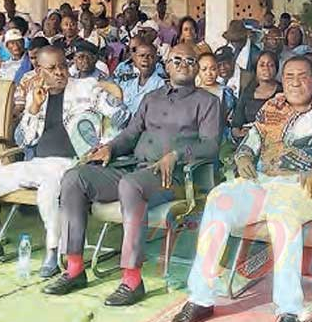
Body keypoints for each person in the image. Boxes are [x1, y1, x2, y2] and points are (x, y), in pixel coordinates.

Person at [170, 56, 312, 322]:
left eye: (303, 76)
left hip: (304, 186)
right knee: (219, 199)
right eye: (290, 76)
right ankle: (201, 297)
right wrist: (243, 156)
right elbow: (251, 142)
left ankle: (290, 312)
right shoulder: (272, 107)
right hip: (263, 182)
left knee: (283, 213)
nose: (295, 82)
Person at [43, 43, 221, 300]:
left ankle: (132, 280)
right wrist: (110, 148)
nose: (183, 64)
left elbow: (211, 145)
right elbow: (130, 135)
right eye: (177, 60)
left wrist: (177, 155)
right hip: (135, 169)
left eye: (190, 61)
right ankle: (74, 268)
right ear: (167, 65)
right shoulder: (152, 98)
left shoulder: (207, 102)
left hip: (176, 177)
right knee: (75, 178)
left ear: (197, 69)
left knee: (130, 185)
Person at [0, 46, 128, 275]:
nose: (60, 72)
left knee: (48, 192)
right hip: (38, 163)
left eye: (62, 65)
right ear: (39, 72)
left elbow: (123, 116)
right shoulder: (36, 94)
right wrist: (33, 109)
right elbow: (23, 139)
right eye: (52, 68)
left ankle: (53, 251)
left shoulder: (86, 88)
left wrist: (112, 94)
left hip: (72, 164)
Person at [230, 51, 281, 142]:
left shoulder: (283, 92)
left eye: (271, 65)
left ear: (276, 69)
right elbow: (236, 124)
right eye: (262, 65)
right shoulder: (248, 92)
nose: (266, 68)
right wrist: (241, 135)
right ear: (255, 69)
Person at [118, 43, 166, 115]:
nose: (145, 59)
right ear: (135, 59)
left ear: (156, 59)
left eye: (150, 56)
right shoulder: (127, 82)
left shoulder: (161, 85)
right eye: (141, 56)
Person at [196, 53, 236, 130]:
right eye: (204, 69)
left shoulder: (226, 92)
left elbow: (231, 119)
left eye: (213, 69)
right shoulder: (192, 93)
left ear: (218, 70)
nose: (209, 73)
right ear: (198, 71)